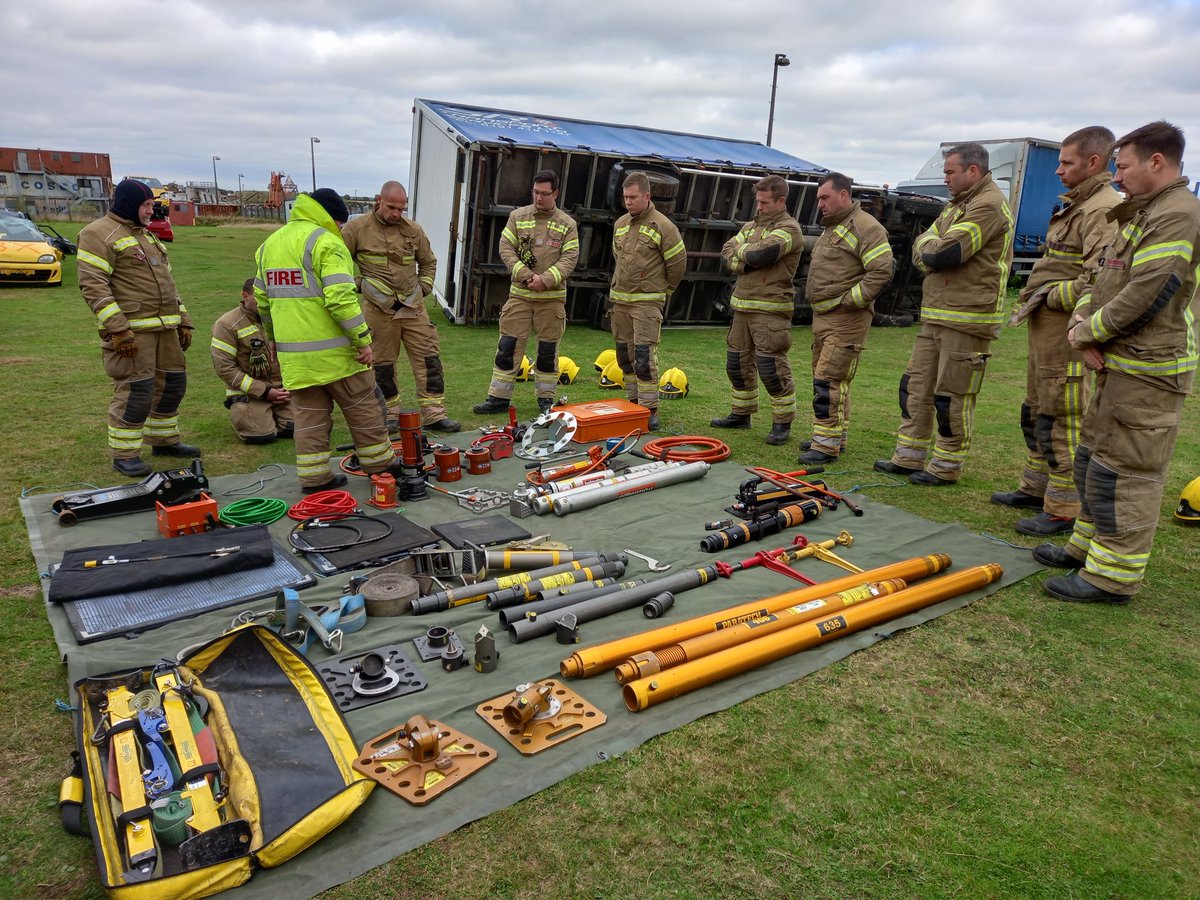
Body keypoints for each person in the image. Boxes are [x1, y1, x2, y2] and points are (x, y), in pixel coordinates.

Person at [1038, 121, 1200, 604]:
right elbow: (1102, 280)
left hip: (1150, 368)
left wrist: (1085, 332)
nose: (1116, 175)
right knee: (1095, 459)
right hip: (1119, 361)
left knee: (1126, 471)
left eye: (1123, 166)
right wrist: (1083, 323)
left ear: (1156, 161)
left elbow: (1148, 292)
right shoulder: (1142, 212)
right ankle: (1086, 549)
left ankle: (1112, 577)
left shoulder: (1178, 216)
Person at [992, 127, 1120, 535]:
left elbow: (1099, 279)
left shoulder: (1102, 209)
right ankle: (1036, 487)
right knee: (1036, 411)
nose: (1059, 170)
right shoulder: (1076, 205)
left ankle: (1064, 506)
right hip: (1045, 329)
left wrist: (1050, 295)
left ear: (1094, 162)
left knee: (1062, 414)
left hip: (1066, 331)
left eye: (1066, 163)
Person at [874, 143, 1013, 484]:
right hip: (937, 313)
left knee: (952, 395)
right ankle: (909, 456)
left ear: (973, 171)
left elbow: (946, 253)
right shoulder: (957, 206)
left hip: (968, 318)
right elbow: (922, 245)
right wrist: (929, 248)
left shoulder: (989, 205)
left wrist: (930, 250)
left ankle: (946, 466)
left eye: (950, 172)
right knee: (915, 386)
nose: (946, 179)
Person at [253, 189, 400, 493]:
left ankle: (315, 478)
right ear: (335, 219)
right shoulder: (326, 242)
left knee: (309, 420)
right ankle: (380, 467)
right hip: (339, 357)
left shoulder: (270, 245)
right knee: (365, 410)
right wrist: (362, 341)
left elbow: (262, 302)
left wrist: (274, 342)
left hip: (296, 360)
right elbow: (341, 300)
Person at [77, 178, 200, 477]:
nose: (151, 211)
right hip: (133, 333)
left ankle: (164, 440)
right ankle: (125, 453)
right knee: (136, 391)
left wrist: (183, 320)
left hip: (165, 330)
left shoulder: (147, 236)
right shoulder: (97, 234)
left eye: (151, 205)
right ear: (131, 204)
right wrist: (118, 329)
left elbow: (168, 286)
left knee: (172, 385)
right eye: (146, 205)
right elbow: (93, 286)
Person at [340, 181, 460, 434]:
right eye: (392, 207)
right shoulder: (356, 229)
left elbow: (428, 263)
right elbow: (336, 265)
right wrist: (360, 284)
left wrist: (424, 289)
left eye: (401, 209)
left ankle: (434, 414)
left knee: (429, 359)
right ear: (378, 201)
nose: (396, 214)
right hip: (378, 311)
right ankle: (390, 413)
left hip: (413, 308)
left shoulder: (413, 230)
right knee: (382, 364)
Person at [798, 172, 894, 465]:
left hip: (846, 319)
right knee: (831, 379)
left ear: (843, 195)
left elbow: (882, 270)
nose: (820, 204)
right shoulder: (833, 227)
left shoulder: (866, 227)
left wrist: (850, 301)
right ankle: (833, 436)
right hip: (825, 316)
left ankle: (825, 446)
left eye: (825, 198)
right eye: (818, 199)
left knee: (828, 379)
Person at [474, 170, 580, 415]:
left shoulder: (567, 224)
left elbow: (570, 258)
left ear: (555, 193)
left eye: (544, 193)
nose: (539, 198)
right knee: (507, 348)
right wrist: (524, 274)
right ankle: (498, 398)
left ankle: (545, 400)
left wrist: (545, 280)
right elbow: (505, 247)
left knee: (547, 352)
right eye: (535, 192)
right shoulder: (517, 216)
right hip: (520, 297)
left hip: (551, 300)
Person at [712, 174, 804, 445]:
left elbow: (758, 255)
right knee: (737, 364)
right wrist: (744, 260)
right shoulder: (751, 226)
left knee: (771, 368)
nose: (759, 207)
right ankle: (741, 414)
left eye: (765, 203)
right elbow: (727, 252)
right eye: (758, 202)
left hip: (771, 311)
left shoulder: (789, 229)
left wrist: (744, 253)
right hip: (742, 308)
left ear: (781, 200)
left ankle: (782, 422)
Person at [609, 171, 687, 431]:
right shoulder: (620, 224)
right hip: (620, 302)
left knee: (643, 356)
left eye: (633, 197)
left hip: (646, 304)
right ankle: (633, 402)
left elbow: (677, 264)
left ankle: (650, 408)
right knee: (624, 355)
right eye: (625, 197)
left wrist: (663, 290)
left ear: (647, 196)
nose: (628, 202)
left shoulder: (663, 226)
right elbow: (618, 258)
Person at [210, 277, 295, 443]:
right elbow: (225, 368)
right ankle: (246, 412)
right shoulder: (226, 324)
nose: (266, 303)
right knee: (262, 436)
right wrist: (264, 391)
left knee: (295, 429)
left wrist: (292, 386)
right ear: (245, 296)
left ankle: (274, 414)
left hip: (283, 390)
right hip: (250, 393)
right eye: (260, 298)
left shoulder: (282, 317)